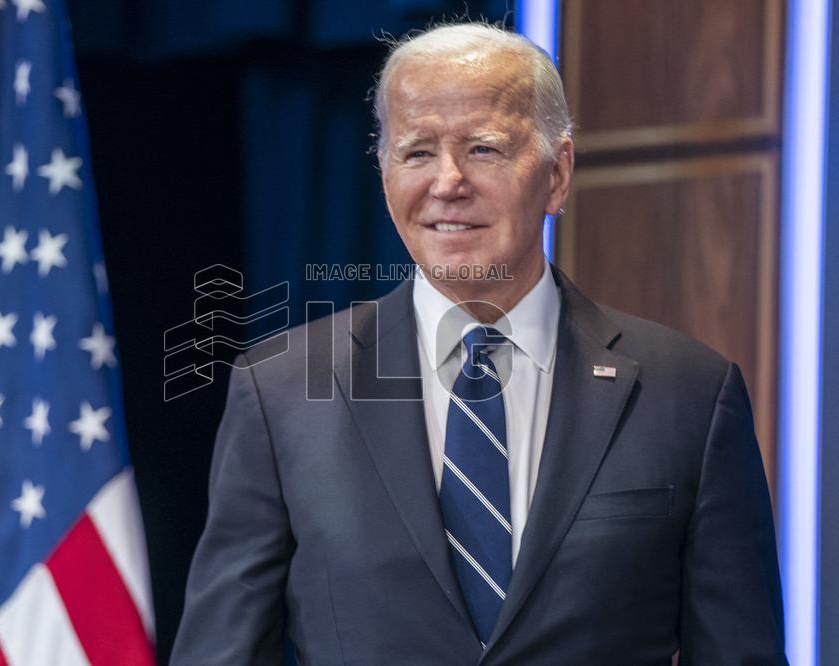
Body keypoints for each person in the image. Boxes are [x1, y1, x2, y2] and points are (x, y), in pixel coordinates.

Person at [171, 22, 785, 665]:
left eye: (485, 149)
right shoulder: (280, 393)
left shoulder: (688, 394)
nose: (448, 182)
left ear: (557, 173)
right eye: (416, 153)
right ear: (384, 176)